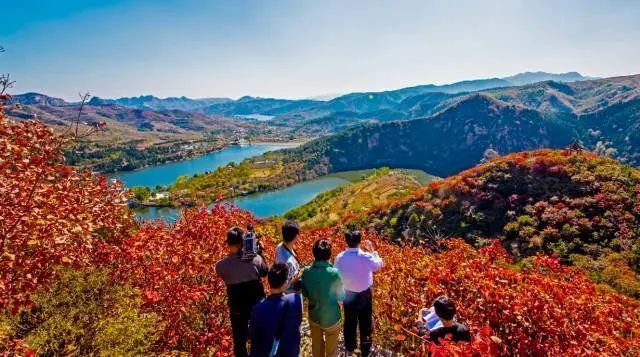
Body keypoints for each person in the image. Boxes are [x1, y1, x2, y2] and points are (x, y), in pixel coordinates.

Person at [216, 227, 269, 357]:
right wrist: (259, 252)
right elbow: (265, 272)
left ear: (228, 243)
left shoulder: (221, 266)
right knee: (260, 336)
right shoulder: (255, 259)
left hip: (237, 308)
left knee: (239, 342)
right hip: (256, 305)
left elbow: (224, 275)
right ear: (243, 242)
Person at [334, 231, 383, 357]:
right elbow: (379, 265)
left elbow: (336, 276)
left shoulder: (340, 257)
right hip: (364, 295)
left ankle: (350, 348)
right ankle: (365, 350)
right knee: (365, 322)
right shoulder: (365, 256)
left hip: (348, 294)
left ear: (347, 241)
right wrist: (373, 250)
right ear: (359, 241)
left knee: (349, 322)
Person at [301, 239, 345, 357]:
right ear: (329, 254)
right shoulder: (334, 273)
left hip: (314, 316)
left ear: (313, 253)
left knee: (317, 346)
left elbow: (305, 293)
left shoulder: (306, 272)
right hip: (331, 318)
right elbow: (342, 296)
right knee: (331, 352)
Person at [249, 263, 303, 357]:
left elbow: (252, 336)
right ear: (285, 282)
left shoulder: (258, 309)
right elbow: (297, 322)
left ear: (269, 281)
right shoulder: (295, 300)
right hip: (289, 352)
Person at [274, 220, 302, 292]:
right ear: (296, 236)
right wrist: (297, 277)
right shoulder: (288, 262)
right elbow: (284, 285)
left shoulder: (279, 246)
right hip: (290, 295)